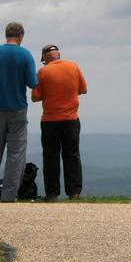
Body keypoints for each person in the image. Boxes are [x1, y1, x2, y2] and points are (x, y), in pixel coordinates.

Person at [0, 22, 38, 203]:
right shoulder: (25, 54)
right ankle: (9, 195)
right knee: (16, 153)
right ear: (21, 36)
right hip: (18, 110)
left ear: (6, 35)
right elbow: (33, 83)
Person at [32, 44, 87, 200]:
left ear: (46, 58)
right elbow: (83, 89)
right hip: (71, 120)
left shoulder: (43, 72)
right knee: (72, 156)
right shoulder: (73, 66)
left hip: (50, 121)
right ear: (58, 55)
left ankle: (52, 194)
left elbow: (35, 97)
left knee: (51, 158)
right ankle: (74, 193)